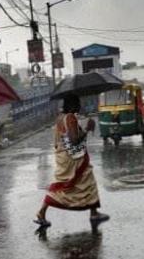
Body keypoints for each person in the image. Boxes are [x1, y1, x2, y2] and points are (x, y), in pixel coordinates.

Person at [34, 94, 109, 227]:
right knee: (84, 183)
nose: (80, 106)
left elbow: (59, 140)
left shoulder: (59, 118)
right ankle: (93, 213)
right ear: (72, 105)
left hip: (63, 157)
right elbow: (74, 140)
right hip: (74, 159)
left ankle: (42, 212)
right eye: (78, 103)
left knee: (63, 185)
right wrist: (87, 129)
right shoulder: (70, 118)